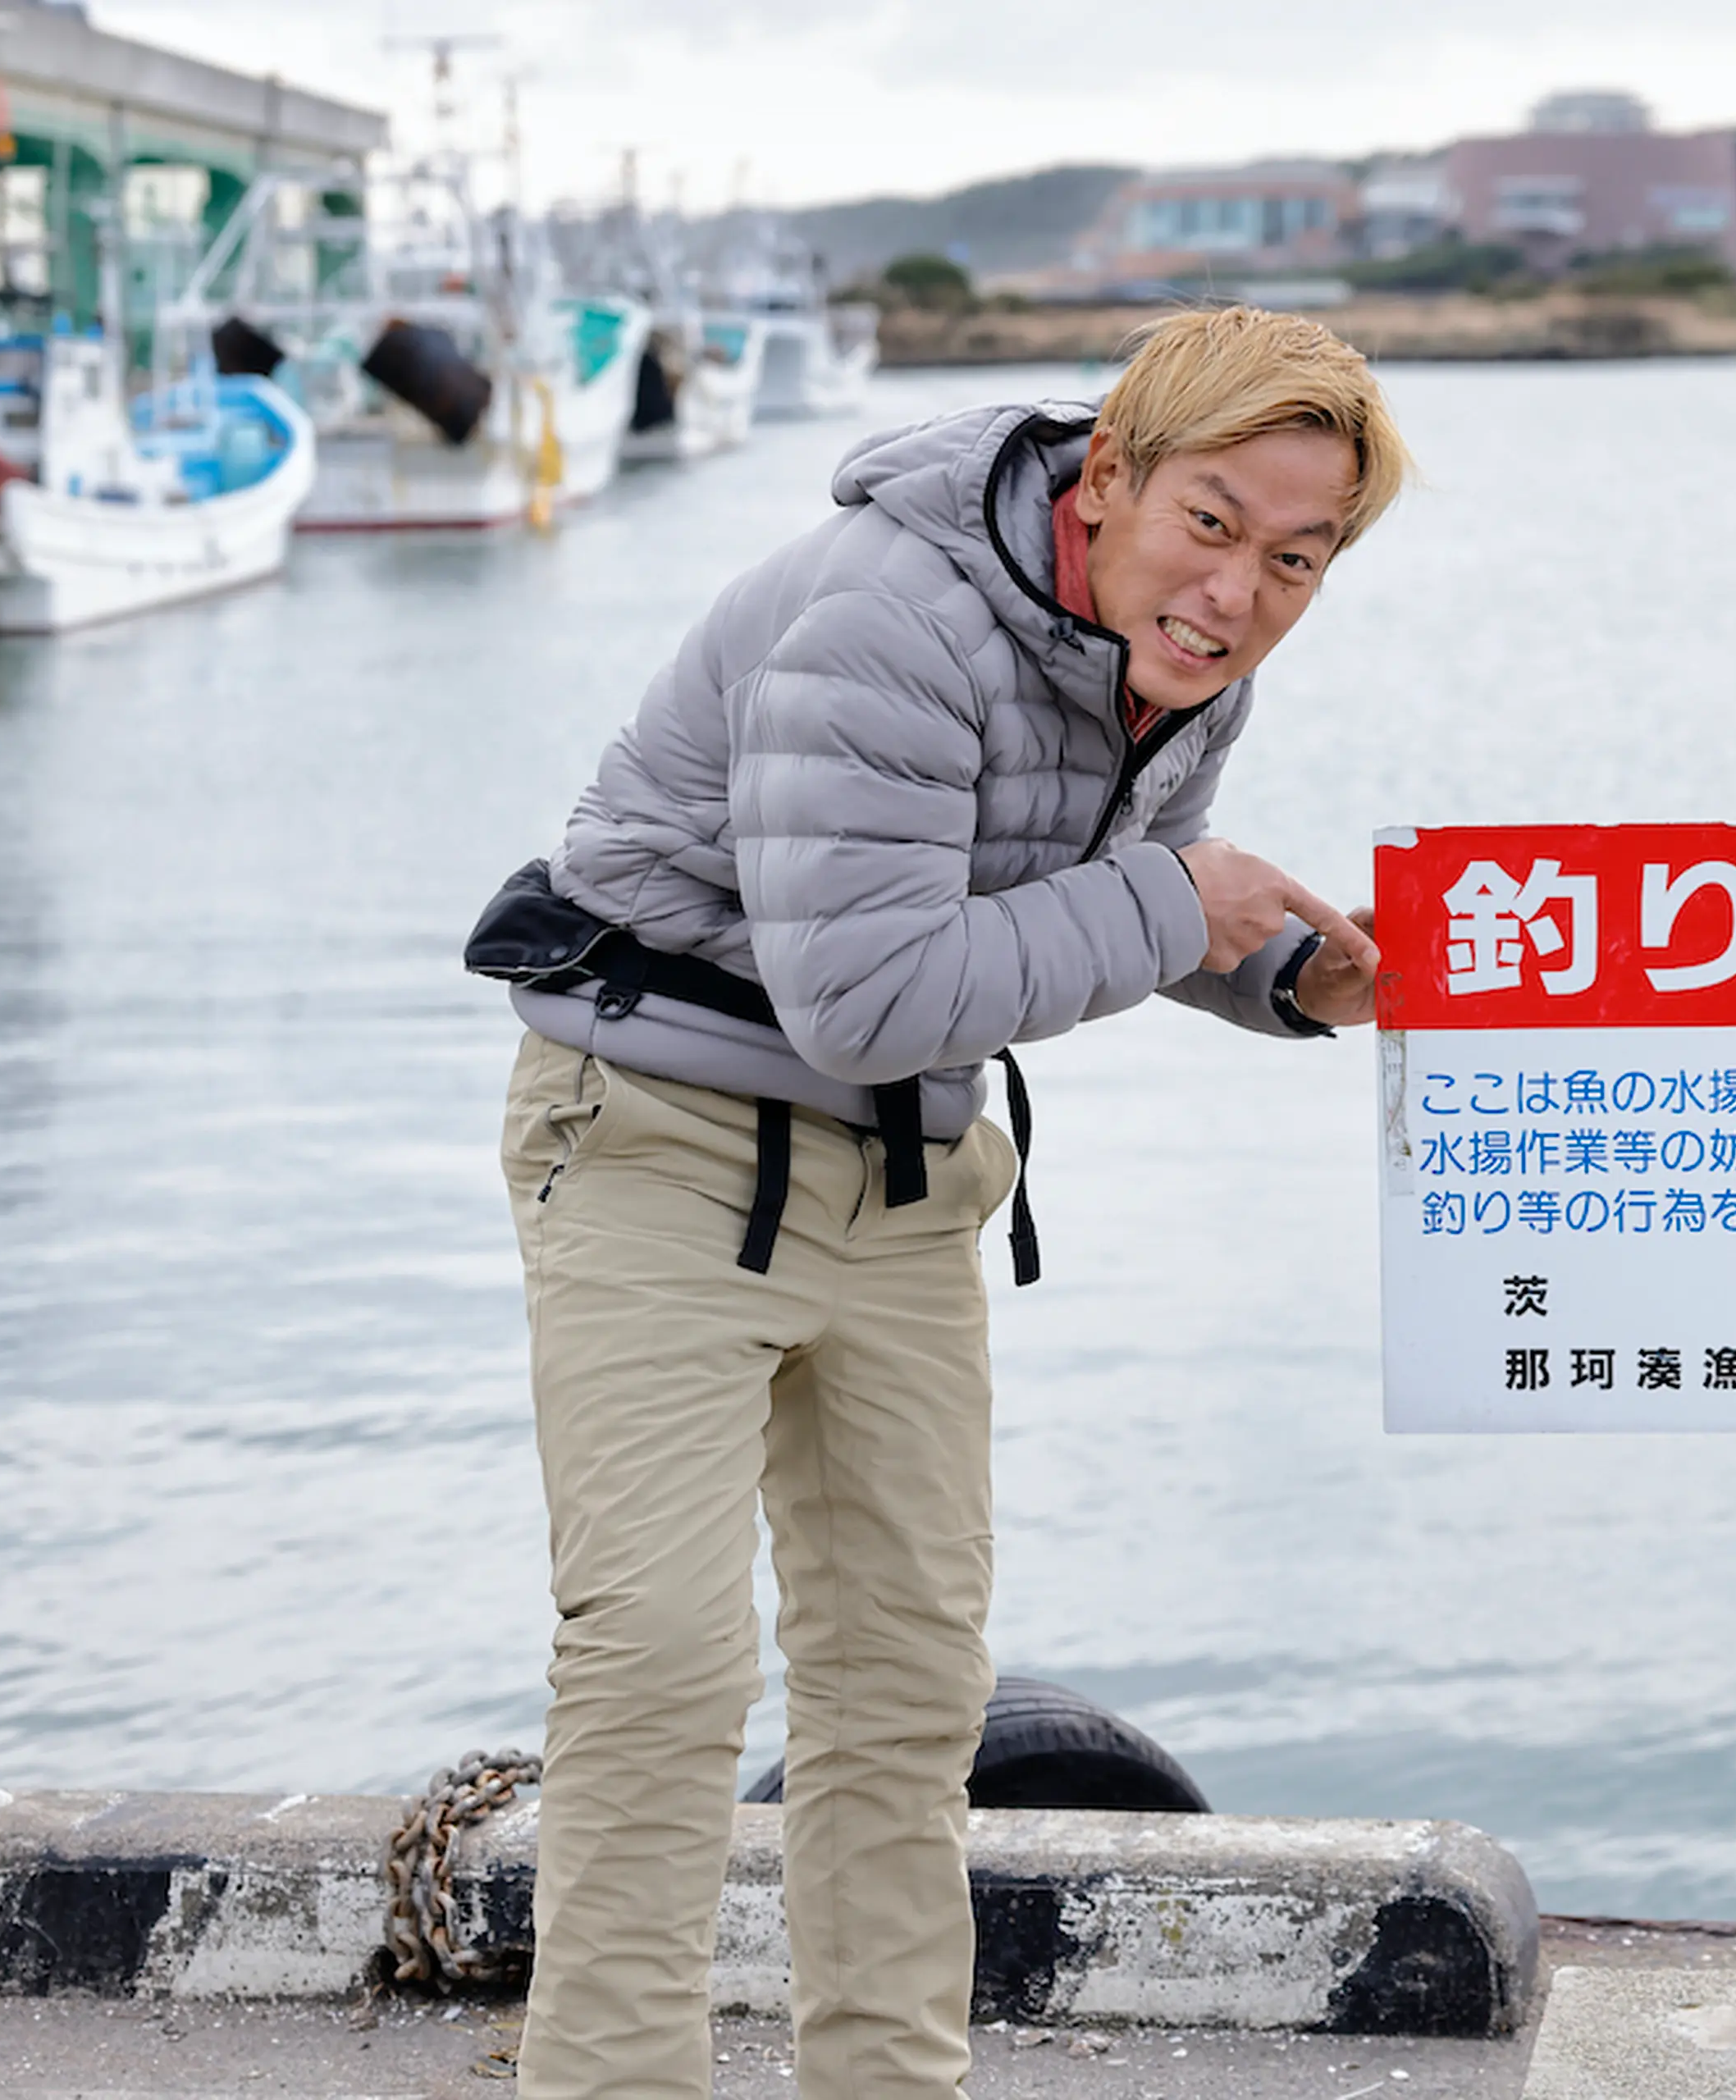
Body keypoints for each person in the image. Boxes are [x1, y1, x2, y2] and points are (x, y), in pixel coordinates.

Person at [473, 306, 1410, 2100]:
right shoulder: (885, 617)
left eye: (1300, 558)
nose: (1243, 592)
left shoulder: (1170, 645)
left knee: (908, 1684)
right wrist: (1183, 908)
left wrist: (1286, 970)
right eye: (1213, 524)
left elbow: (1095, 888)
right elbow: (872, 985)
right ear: (1110, 472)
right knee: (663, 1669)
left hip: (904, 1171)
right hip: (660, 1137)